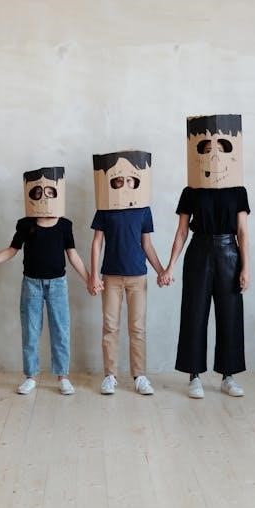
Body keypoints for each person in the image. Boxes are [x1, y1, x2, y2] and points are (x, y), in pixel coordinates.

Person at [161, 115, 250, 399]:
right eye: (207, 149)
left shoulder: (238, 190)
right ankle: (194, 376)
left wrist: (246, 267)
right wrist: (170, 266)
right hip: (198, 251)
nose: (214, 154)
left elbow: (242, 232)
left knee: (230, 314)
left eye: (220, 149)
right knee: (194, 312)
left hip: (229, 252)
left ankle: (228, 376)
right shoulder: (192, 190)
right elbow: (181, 232)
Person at [0, 167, 89, 395]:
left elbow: (72, 255)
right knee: (30, 330)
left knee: (61, 330)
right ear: (31, 194)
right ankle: (30, 376)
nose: (44, 197)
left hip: (57, 284)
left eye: (50, 192)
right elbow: (12, 250)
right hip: (31, 284)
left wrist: (89, 278)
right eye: (38, 192)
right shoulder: (25, 224)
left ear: (57, 194)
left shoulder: (64, 225)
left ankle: (63, 377)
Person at [89, 150, 165, 395]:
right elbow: (97, 242)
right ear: (111, 182)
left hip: (137, 276)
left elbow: (147, 245)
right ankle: (110, 376)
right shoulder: (105, 208)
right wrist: (93, 275)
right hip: (110, 276)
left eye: (130, 180)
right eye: (119, 180)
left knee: (137, 328)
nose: (124, 184)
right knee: (110, 327)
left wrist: (161, 270)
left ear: (137, 182)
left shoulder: (143, 210)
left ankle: (139, 376)